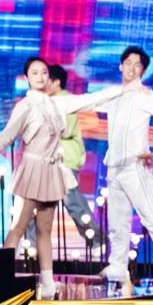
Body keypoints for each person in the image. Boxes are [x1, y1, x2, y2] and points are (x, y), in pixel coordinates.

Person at [0, 57, 124, 297]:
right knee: (18, 226)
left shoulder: (57, 103)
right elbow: (10, 132)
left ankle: (47, 284)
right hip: (33, 168)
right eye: (35, 73)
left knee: (45, 229)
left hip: (51, 170)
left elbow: (88, 100)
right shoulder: (26, 105)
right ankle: (0, 278)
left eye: (44, 72)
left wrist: (120, 89)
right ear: (27, 78)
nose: (40, 76)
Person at [95, 46, 153, 285]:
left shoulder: (146, 96)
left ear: (142, 71)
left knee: (152, 218)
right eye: (128, 63)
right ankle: (117, 267)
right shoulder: (114, 95)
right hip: (114, 167)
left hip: (135, 167)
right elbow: (90, 103)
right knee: (117, 222)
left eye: (137, 65)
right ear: (120, 66)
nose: (131, 68)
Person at [44, 64, 99, 239]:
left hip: (64, 158)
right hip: (51, 158)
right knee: (38, 205)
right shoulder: (50, 101)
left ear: (56, 82)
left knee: (73, 202)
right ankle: (32, 246)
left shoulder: (64, 101)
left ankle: (96, 241)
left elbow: (65, 130)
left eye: (46, 80)